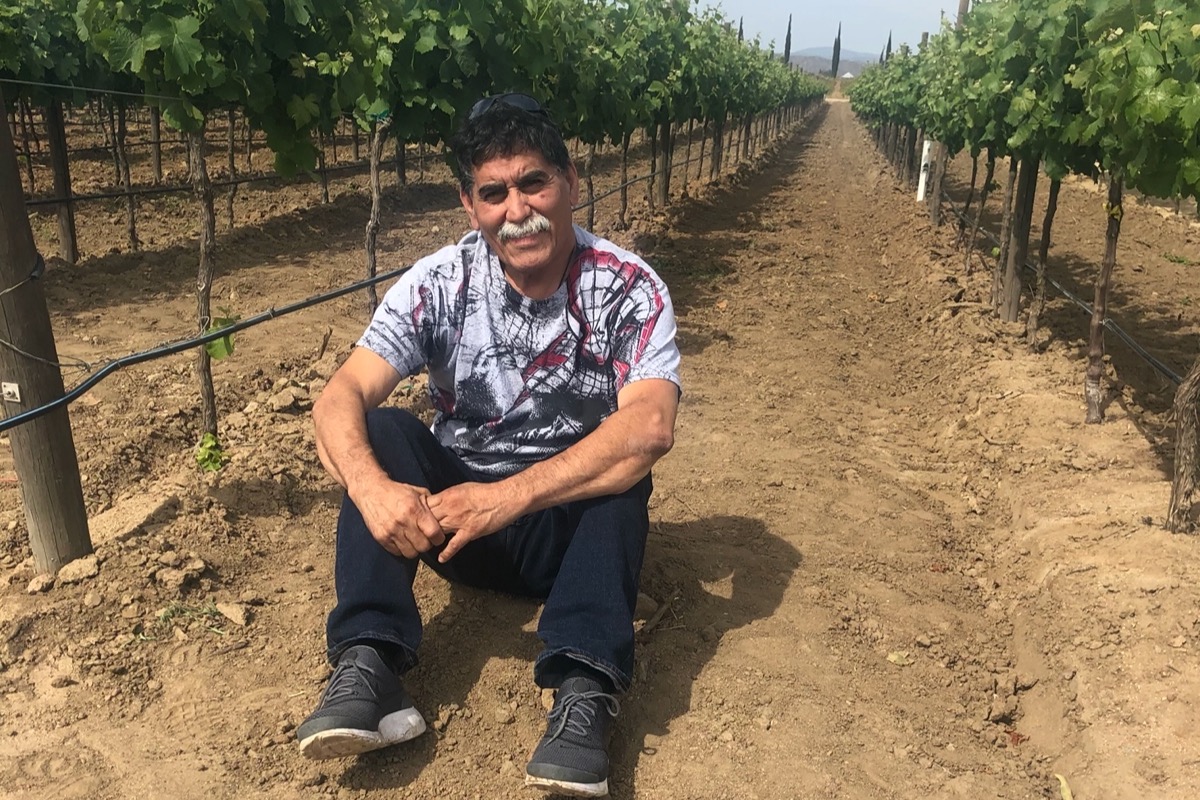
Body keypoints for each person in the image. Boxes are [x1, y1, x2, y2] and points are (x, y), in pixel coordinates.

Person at [295, 93, 682, 798]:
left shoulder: (626, 287)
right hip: (456, 535)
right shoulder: (439, 282)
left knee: (621, 463)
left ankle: (583, 689)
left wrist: (506, 497)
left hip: (569, 538)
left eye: (534, 183)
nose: (517, 209)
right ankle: (368, 662)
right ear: (469, 205)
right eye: (494, 193)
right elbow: (339, 396)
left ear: (570, 181)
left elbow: (652, 424)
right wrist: (373, 490)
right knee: (381, 431)